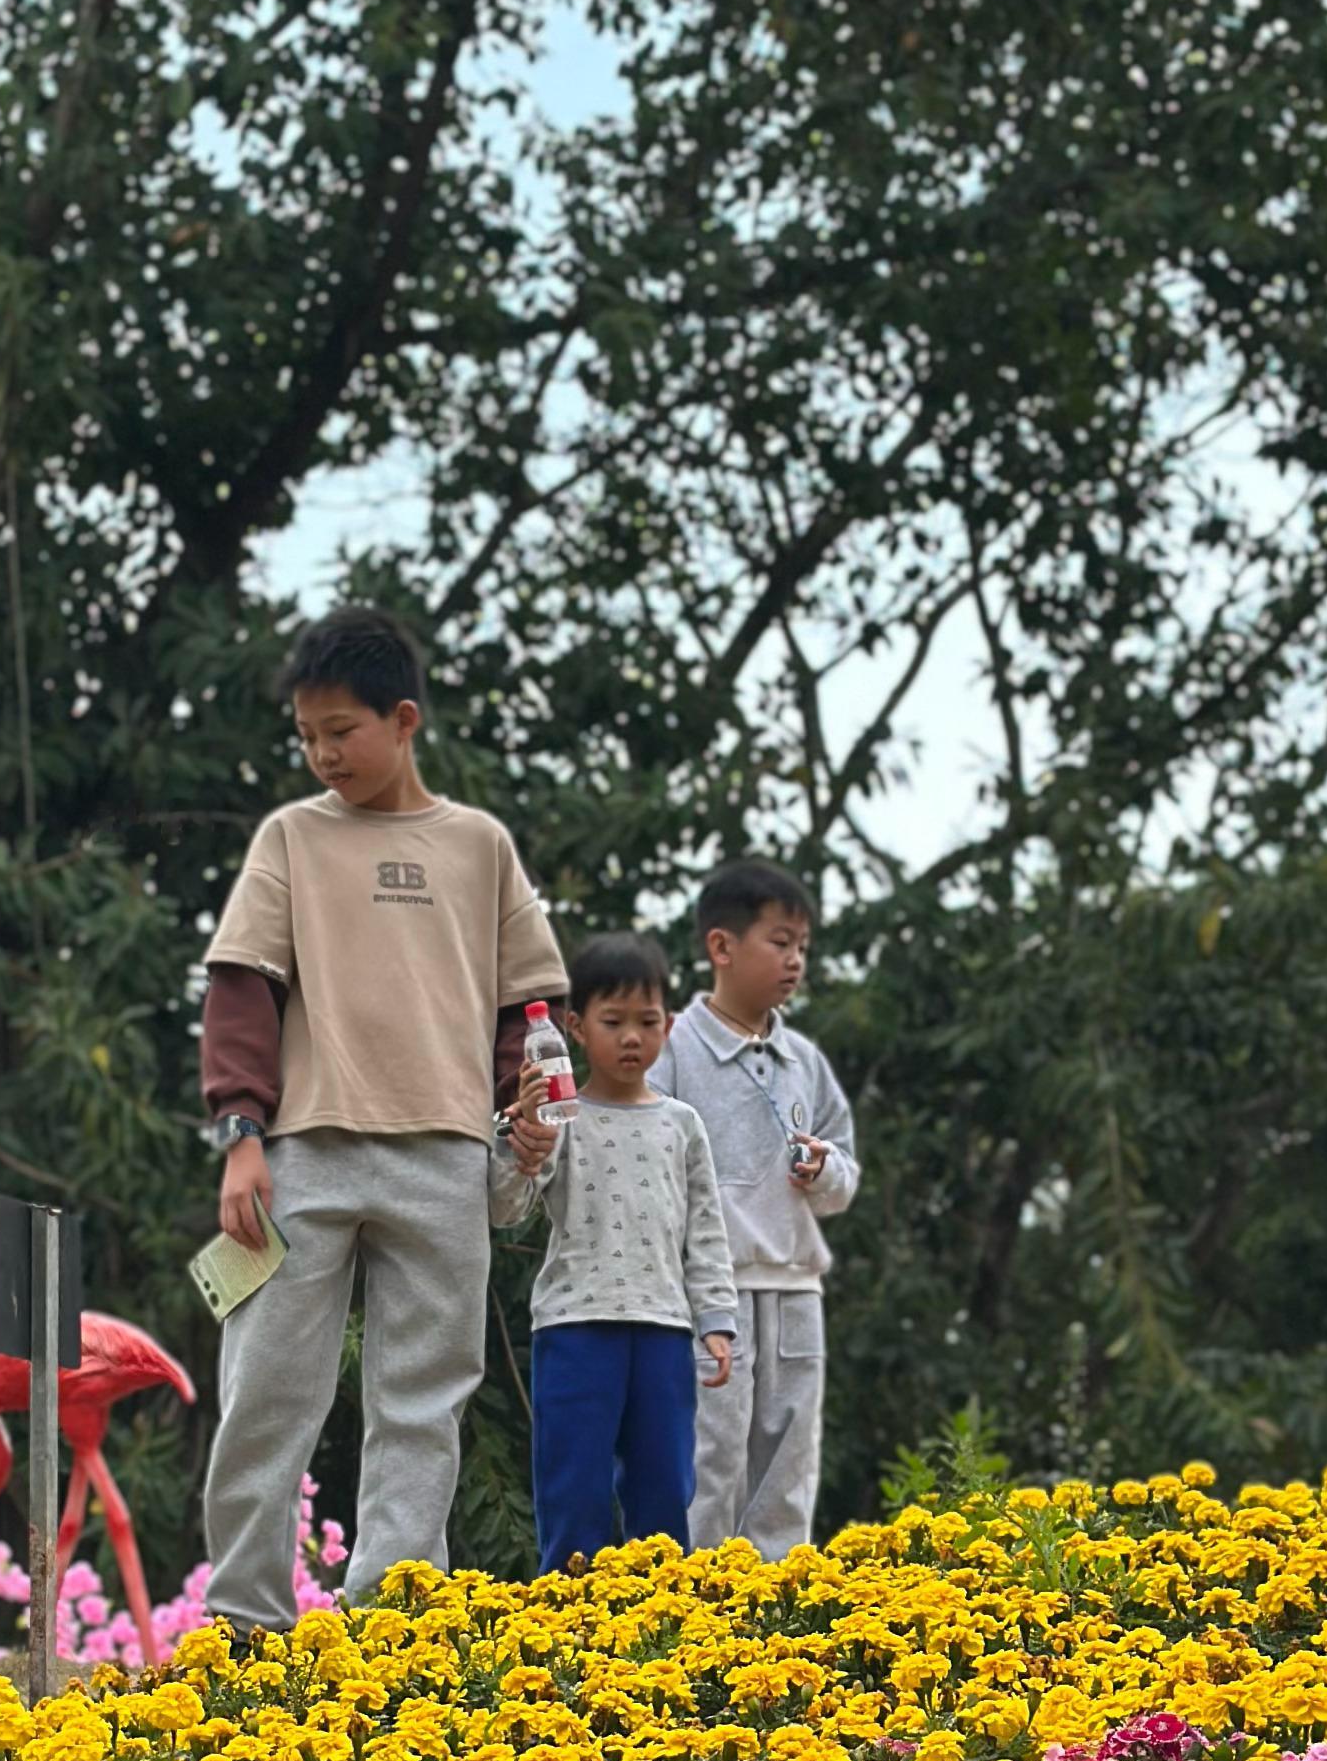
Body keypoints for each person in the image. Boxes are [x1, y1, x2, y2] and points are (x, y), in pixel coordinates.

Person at [196, 603, 569, 1634]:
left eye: (341, 731)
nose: (322, 755)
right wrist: (240, 1136)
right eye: (306, 735)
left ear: (404, 720)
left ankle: (392, 1624)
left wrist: (527, 1114)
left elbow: (529, 1012)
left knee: (424, 1400)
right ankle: (243, 1624)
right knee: (266, 1392)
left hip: (446, 1154)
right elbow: (241, 990)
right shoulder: (291, 838)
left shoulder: (479, 846)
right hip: (301, 1155)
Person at [489, 932, 736, 1572]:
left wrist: (716, 1319)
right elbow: (506, 1208)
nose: (632, 1038)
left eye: (647, 1022)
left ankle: (666, 1617)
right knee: (573, 1488)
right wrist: (521, 1135)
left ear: (668, 1026)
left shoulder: (683, 1124)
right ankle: (566, 1614)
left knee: (665, 1489)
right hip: (574, 1327)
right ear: (574, 1028)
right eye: (613, 1021)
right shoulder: (559, 1118)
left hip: (663, 1329)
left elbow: (706, 1230)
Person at [662, 856, 858, 1560]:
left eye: (802, 945)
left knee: (789, 1468)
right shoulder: (673, 1047)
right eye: (780, 942)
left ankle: (776, 1607)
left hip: (798, 1287)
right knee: (710, 1460)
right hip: (710, 1297)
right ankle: (694, 1600)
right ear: (722, 946)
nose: (795, 960)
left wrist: (825, 1169)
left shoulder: (804, 1059)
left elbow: (845, 1174)